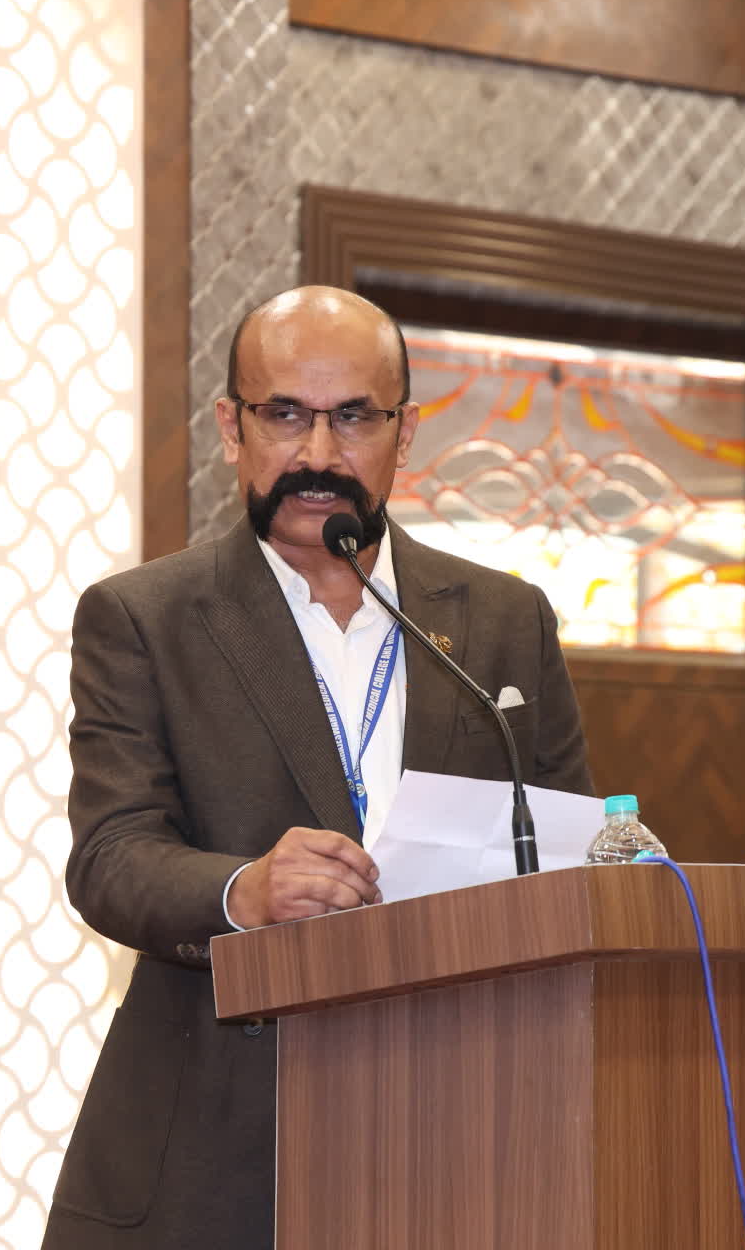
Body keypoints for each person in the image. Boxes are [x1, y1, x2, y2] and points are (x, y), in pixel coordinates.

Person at [40, 286, 595, 1248]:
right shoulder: (144, 619)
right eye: (286, 414)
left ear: (405, 433)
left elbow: (567, 847)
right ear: (232, 427)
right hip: (218, 1142)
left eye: (354, 418)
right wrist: (243, 891)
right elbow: (112, 858)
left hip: (463, 1127)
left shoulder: (506, 622)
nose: (320, 455)